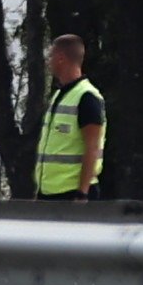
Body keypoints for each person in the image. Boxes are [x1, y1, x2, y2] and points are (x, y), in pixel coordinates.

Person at [32, 28, 109, 197]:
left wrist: (82, 192)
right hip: (49, 191)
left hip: (73, 192)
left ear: (61, 59)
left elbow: (92, 148)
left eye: (51, 56)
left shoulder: (86, 97)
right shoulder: (59, 95)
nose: (49, 61)